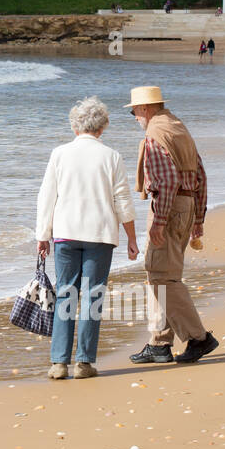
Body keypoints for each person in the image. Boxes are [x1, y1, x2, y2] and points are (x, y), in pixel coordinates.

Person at [35, 96, 138, 380]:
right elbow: (122, 201)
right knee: (93, 295)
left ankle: (58, 363)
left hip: (65, 235)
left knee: (66, 293)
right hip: (100, 236)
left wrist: (42, 234)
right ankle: (84, 362)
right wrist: (131, 238)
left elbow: (47, 197)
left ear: (74, 126)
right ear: (102, 127)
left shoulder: (59, 154)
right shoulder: (112, 157)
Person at [126, 86, 219, 365]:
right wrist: (198, 218)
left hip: (170, 207)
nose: (134, 117)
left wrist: (160, 221)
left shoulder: (156, 133)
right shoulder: (178, 126)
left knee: (161, 275)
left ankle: (199, 338)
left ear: (145, 109)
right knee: (162, 273)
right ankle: (159, 342)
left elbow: (165, 182)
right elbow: (200, 173)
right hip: (187, 206)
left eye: (134, 111)